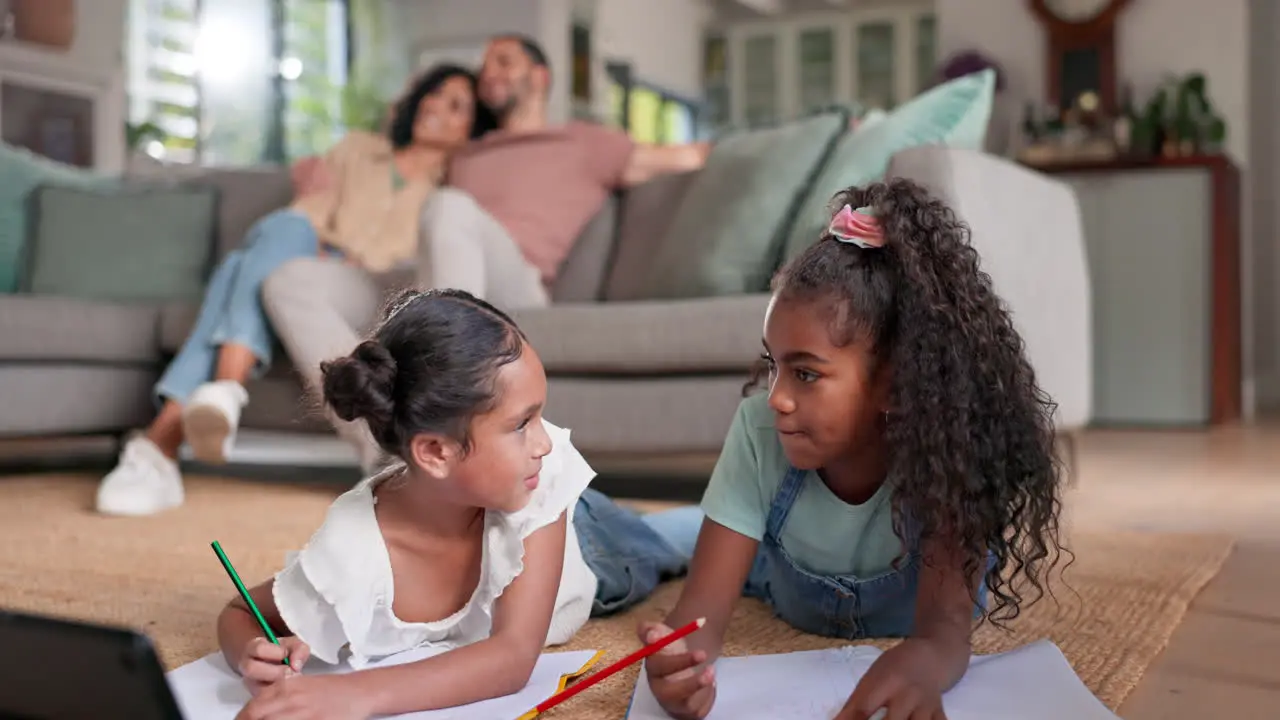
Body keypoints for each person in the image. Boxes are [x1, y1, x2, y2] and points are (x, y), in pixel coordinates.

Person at [636, 179, 1069, 720]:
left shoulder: (949, 457)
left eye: (805, 374)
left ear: (894, 383)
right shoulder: (757, 431)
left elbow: (944, 633)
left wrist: (921, 660)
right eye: (773, 366)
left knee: (684, 530)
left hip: (785, 548)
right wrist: (680, 663)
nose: (775, 399)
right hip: (771, 569)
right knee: (650, 542)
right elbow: (697, 621)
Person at [218, 289, 687, 720]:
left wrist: (352, 694)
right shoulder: (352, 552)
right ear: (436, 453)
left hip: (593, 544)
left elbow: (512, 657)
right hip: (524, 503)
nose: (545, 442)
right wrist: (250, 654)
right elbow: (239, 612)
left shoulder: (540, 475)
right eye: (523, 423)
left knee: (695, 540)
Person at [261, 33, 712, 468]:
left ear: (539, 76)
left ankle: (439, 407)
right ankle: (382, 446)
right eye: (485, 65)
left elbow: (688, 157)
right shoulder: (464, 153)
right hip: (431, 273)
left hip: (511, 283)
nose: (488, 72)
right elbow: (389, 164)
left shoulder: (584, 142)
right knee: (290, 279)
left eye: (504, 61)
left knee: (450, 207)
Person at [95, 64, 498, 517]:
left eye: (456, 105)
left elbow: (434, 256)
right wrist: (323, 249)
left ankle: (175, 431)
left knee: (239, 265)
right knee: (283, 229)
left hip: (384, 285)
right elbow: (311, 213)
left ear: (472, 130)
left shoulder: (455, 185)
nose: (436, 105)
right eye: (434, 93)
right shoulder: (358, 151)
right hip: (325, 261)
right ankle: (209, 402)